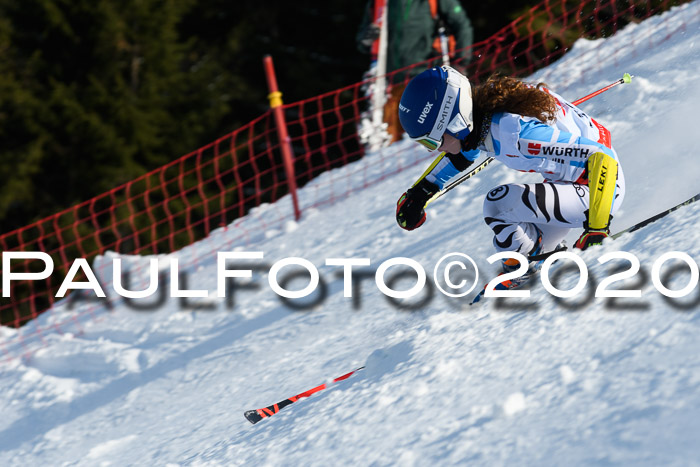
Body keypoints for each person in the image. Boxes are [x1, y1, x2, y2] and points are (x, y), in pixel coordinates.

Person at [395, 65, 625, 290]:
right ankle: (535, 259)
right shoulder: (485, 114)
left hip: (598, 189)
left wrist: (597, 228)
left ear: (456, 122)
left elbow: (602, 156)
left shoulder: (517, 134)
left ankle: (527, 267)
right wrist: (420, 193)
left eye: (432, 141)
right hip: (568, 185)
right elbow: (464, 152)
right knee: (516, 226)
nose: (433, 150)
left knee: (499, 204)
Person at [357, 0, 474, 144]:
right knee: (390, 143)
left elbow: (462, 26)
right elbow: (362, 42)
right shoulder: (379, 3)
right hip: (389, 86)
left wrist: (461, 62)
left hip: (428, 82)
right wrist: (366, 38)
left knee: (428, 137)